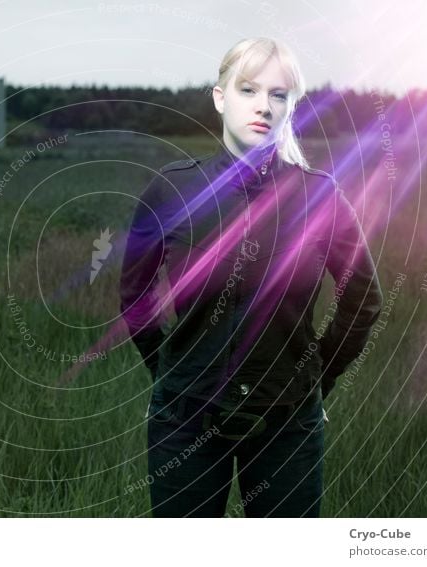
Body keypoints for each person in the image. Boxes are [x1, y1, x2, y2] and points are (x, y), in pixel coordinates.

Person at [119, 37, 383, 517]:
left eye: (278, 95)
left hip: (288, 423)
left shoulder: (320, 197)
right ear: (220, 97)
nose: (263, 105)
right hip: (184, 421)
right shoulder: (172, 188)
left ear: (290, 106)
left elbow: (364, 299)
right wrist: (169, 374)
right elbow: (133, 293)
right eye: (247, 89)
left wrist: (314, 381)